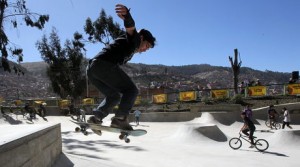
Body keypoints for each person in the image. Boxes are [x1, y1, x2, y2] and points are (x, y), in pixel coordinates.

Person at [86, 4, 156, 130]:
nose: (145, 50)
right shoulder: (135, 40)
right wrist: (127, 17)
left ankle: (96, 117)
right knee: (131, 90)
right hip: (103, 65)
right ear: (141, 38)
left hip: (92, 70)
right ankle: (120, 119)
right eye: (147, 45)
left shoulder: (129, 46)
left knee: (114, 96)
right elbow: (131, 28)